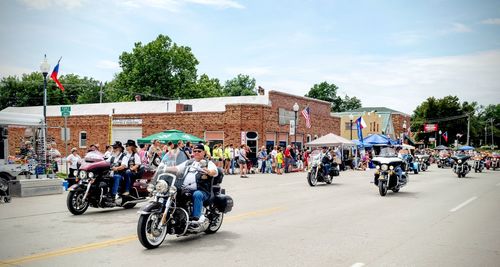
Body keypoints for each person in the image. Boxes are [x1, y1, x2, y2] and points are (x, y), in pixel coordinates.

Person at [165, 144, 218, 224]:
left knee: (197, 194)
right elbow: (177, 168)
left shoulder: (208, 163)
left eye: (199, 151)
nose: (196, 152)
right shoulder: (189, 162)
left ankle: (196, 218)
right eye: (195, 151)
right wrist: (164, 168)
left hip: (202, 190)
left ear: (204, 152)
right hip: (186, 189)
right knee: (170, 192)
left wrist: (209, 172)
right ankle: (173, 215)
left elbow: (215, 171)